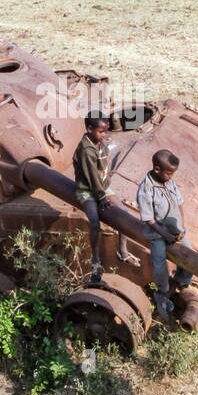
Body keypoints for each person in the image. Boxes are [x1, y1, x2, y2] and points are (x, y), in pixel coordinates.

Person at [135, 150, 193, 322]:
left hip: (175, 227)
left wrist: (181, 226)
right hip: (157, 232)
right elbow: (149, 219)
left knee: (189, 257)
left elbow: (180, 203)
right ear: (157, 169)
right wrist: (165, 235)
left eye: (172, 173)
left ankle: (179, 282)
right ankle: (162, 292)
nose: (170, 177)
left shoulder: (170, 182)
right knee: (159, 263)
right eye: (168, 173)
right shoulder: (146, 188)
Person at [73, 113, 115, 282]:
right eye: (101, 131)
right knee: (94, 221)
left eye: (106, 131)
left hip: (102, 187)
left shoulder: (99, 143)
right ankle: (96, 258)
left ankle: (123, 250)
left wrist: (105, 189)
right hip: (87, 190)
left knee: (122, 210)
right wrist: (101, 196)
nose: (105, 135)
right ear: (89, 129)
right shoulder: (86, 150)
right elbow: (91, 176)